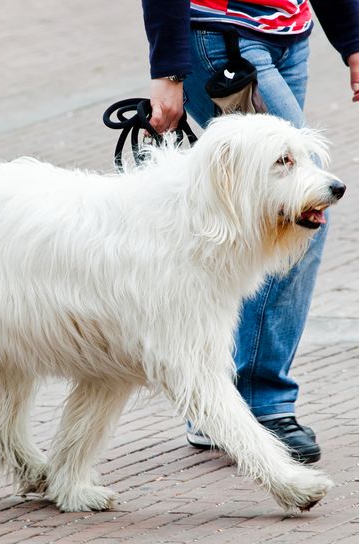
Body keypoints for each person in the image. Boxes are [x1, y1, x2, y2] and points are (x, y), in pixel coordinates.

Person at [141, 0, 359, 463]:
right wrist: (169, 69)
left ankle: (211, 404)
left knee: (260, 210)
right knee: (301, 208)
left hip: (288, 34)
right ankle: (258, 404)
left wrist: (352, 37)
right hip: (220, 34)